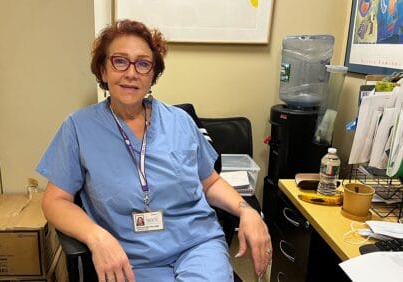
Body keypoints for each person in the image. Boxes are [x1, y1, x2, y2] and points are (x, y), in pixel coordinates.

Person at [37, 19, 271, 282]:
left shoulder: (180, 122)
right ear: (103, 70)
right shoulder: (78, 129)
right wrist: (96, 236)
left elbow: (210, 182)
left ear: (152, 74)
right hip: (130, 257)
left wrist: (246, 210)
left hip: (197, 246)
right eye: (120, 61)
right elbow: (55, 201)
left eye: (143, 64)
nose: (131, 73)